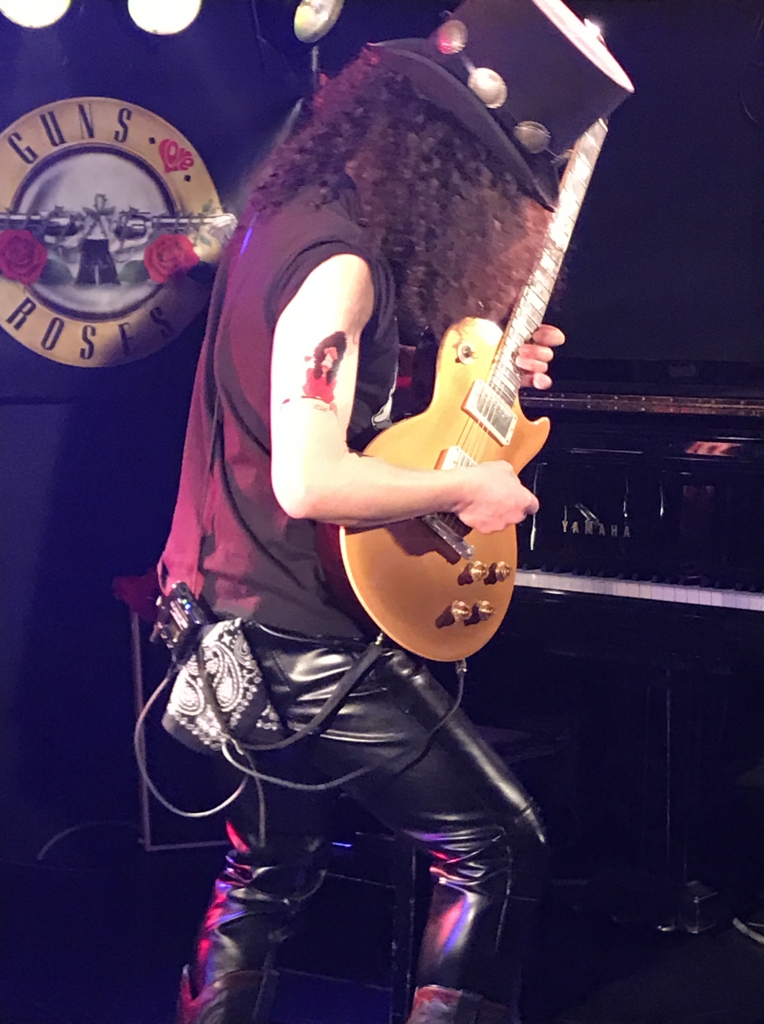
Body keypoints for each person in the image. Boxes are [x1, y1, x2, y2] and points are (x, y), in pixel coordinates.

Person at [158, 2, 633, 1021]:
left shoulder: (296, 219)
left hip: (225, 604)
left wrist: (467, 382)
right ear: (452, 172)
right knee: (498, 845)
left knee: (268, 869)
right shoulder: (340, 267)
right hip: (293, 632)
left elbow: (320, 412)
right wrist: (467, 487)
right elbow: (311, 480)